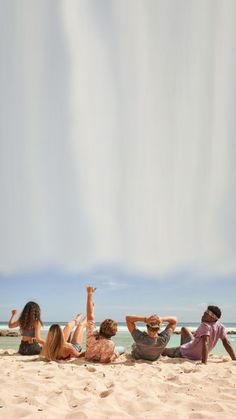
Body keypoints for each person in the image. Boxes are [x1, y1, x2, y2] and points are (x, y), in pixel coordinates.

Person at [163, 305, 236, 364]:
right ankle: (185, 347)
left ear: (212, 317)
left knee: (163, 350)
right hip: (199, 353)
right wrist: (234, 358)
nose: (202, 316)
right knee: (184, 329)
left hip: (189, 353)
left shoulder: (205, 325)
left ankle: (183, 352)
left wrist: (204, 362)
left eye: (205, 315)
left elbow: (205, 343)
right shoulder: (221, 327)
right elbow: (227, 343)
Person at [85, 286, 124, 363]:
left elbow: (90, 315)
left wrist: (89, 294)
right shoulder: (110, 344)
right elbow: (104, 361)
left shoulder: (92, 334)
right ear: (113, 333)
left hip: (88, 356)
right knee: (122, 349)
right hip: (102, 354)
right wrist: (115, 355)